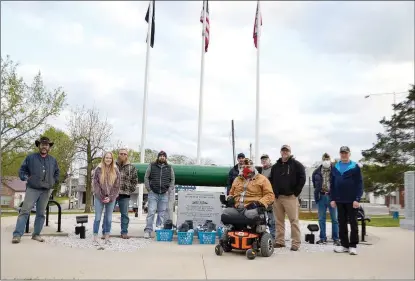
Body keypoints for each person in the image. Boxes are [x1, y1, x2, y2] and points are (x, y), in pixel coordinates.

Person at [12, 137, 60, 244]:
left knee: (41, 213)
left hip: (46, 190)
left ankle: (36, 234)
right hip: (32, 189)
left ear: (49, 147)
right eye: (42, 145)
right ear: (39, 146)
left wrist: (53, 182)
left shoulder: (53, 160)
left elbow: (57, 173)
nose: (44, 147)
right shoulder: (30, 157)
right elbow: (22, 170)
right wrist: (26, 177)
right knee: (24, 212)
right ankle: (17, 235)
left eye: (46, 145)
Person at [269, 145, 306, 251]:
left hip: (290, 197)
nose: (285, 152)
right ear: (280, 152)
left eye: (287, 151)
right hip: (277, 198)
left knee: (294, 220)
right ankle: (280, 241)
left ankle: (296, 243)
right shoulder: (275, 166)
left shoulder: (297, 165)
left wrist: (296, 192)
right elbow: (271, 180)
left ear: (290, 152)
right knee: (279, 221)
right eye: (283, 151)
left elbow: (302, 178)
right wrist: (273, 193)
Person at [330, 146, 363, 255]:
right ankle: (344, 245)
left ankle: (353, 245)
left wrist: (357, 199)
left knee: (353, 222)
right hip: (339, 200)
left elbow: (359, 184)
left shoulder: (355, 167)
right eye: (342, 153)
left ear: (349, 154)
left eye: (346, 153)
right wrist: (333, 199)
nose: (344, 155)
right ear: (340, 154)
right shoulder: (335, 167)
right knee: (341, 222)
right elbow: (332, 184)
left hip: (352, 200)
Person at [143, 151, 175, 239]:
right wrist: (149, 189)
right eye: (160, 156)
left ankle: (158, 229)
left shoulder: (169, 167)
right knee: (151, 212)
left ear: (166, 158)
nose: (162, 157)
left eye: (164, 156)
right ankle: (148, 230)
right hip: (153, 193)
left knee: (161, 214)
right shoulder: (152, 165)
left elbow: (172, 179)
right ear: (158, 157)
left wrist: (169, 190)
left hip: (164, 194)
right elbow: (146, 177)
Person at [93, 152, 121, 245]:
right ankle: (95, 238)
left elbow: (117, 186)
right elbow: (95, 184)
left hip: (111, 198)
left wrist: (110, 197)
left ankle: (107, 238)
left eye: (110, 158)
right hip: (99, 197)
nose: (108, 159)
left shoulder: (116, 170)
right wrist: (101, 196)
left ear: (112, 159)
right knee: (97, 217)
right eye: (106, 157)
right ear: (104, 158)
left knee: (108, 218)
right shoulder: (98, 169)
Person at [312, 153, 339, 245]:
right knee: (321, 219)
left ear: (330, 160)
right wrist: (317, 194)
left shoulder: (335, 170)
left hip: (332, 197)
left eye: (328, 159)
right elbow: (315, 184)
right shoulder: (316, 172)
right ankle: (323, 238)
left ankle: (336, 238)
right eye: (324, 159)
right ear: (322, 160)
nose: (326, 161)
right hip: (321, 196)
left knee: (335, 219)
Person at [112, 148, 138, 239]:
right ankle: (105, 232)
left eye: (125, 154)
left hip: (125, 194)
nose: (123, 155)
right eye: (121, 153)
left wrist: (129, 190)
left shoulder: (131, 167)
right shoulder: (112, 166)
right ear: (118, 154)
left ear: (127, 156)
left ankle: (124, 232)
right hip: (112, 194)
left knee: (125, 215)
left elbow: (134, 181)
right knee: (108, 213)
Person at [260, 154, 276, 240]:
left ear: (269, 160)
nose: (264, 161)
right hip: (262, 198)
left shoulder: (274, 169)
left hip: (271, 197)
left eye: (265, 159)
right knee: (262, 219)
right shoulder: (260, 170)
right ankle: (263, 236)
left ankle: (273, 237)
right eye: (262, 159)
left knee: (272, 219)